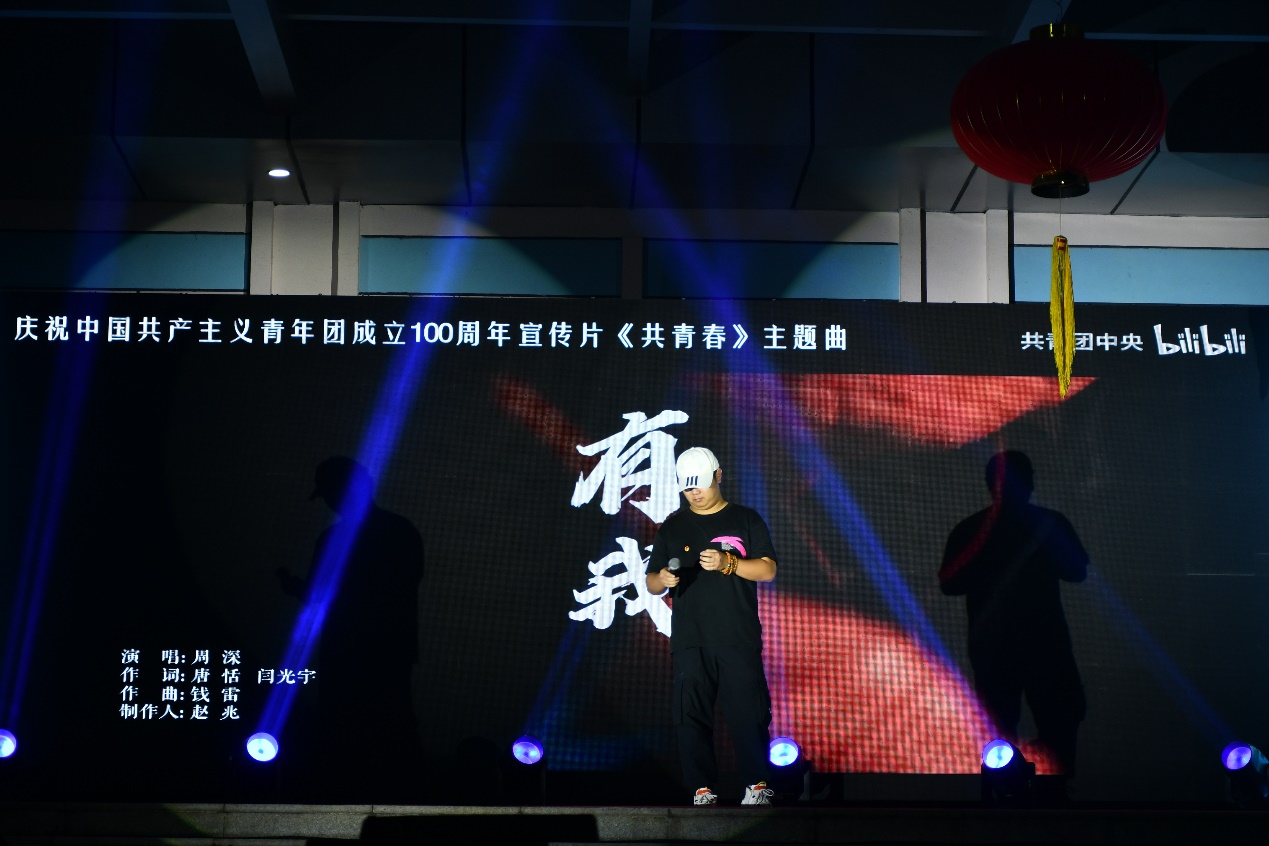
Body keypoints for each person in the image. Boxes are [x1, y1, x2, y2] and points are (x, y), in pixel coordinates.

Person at [939, 450, 1088, 782]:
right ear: (1029, 483)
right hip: (1046, 644)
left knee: (998, 728)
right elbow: (1077, 571)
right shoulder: (1050, 523)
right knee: (1059, 720)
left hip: (993, 647)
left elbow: (949, 583)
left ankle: (1001, 795)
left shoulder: (970, 529)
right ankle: (1055, 791)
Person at [645, 446, 778, 806]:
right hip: (690, 638)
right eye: (687, 488)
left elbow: (767, 569)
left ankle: (757, 785)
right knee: (690, 715)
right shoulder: (673, 526)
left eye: (700, 485)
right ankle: (701, 788)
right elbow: (651, 582)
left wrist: (728, 564)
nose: (695, 493)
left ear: (718, 476)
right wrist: (663, 579)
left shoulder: (746, 519)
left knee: (748, 713)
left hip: (737, 635)